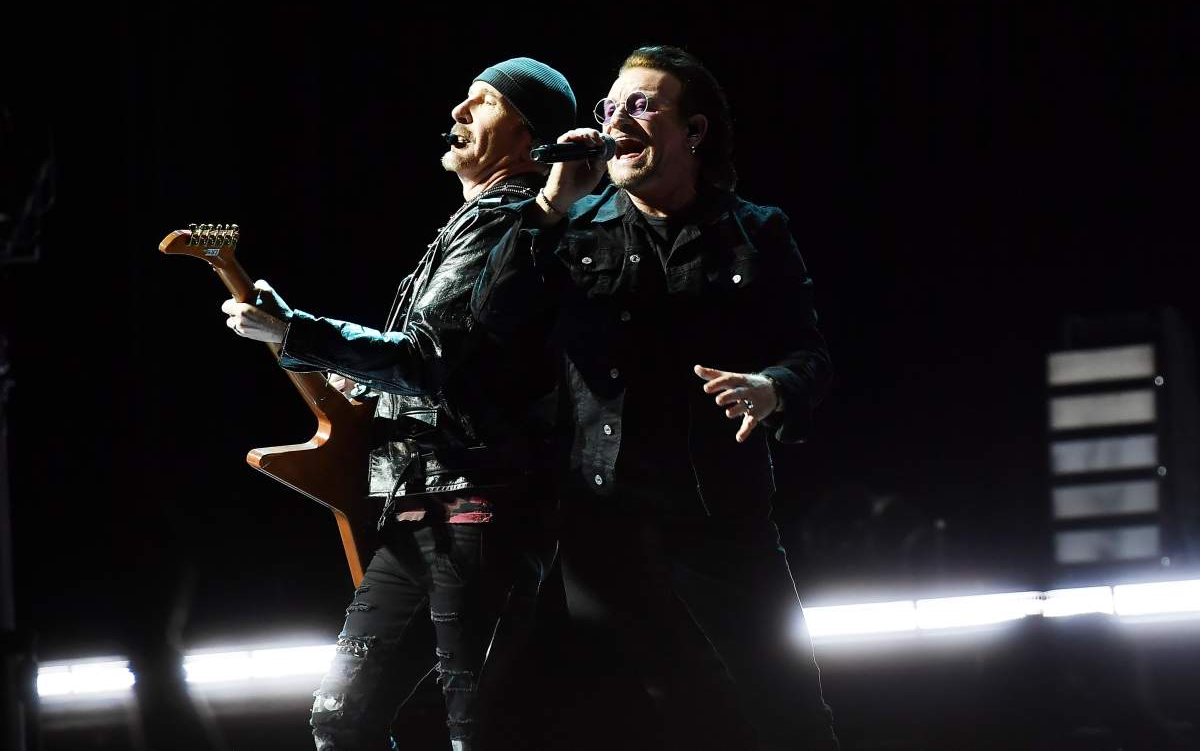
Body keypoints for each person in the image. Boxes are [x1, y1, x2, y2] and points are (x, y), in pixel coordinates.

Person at [471, 45, 838, 750]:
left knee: (788, 710)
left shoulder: (756, 232)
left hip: (719, 519)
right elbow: (490, 325)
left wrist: (772, 388)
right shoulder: (572, 227)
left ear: (693, 130)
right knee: (620, 711)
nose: (616, 120)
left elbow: (810, 353)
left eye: (641, 105)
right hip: (600, 524)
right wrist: (550, 205)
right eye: (609, 108)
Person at [220, 57, 576, 751]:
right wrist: (338, 365)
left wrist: (297, 332)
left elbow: (427, 360)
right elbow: (443, 363)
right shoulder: (473, 224)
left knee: (474, 728)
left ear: (531, 138)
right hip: (421, 507)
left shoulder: (505, 221)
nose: (458, 113)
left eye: (483, 103)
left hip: (478, 505)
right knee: (343, 716)